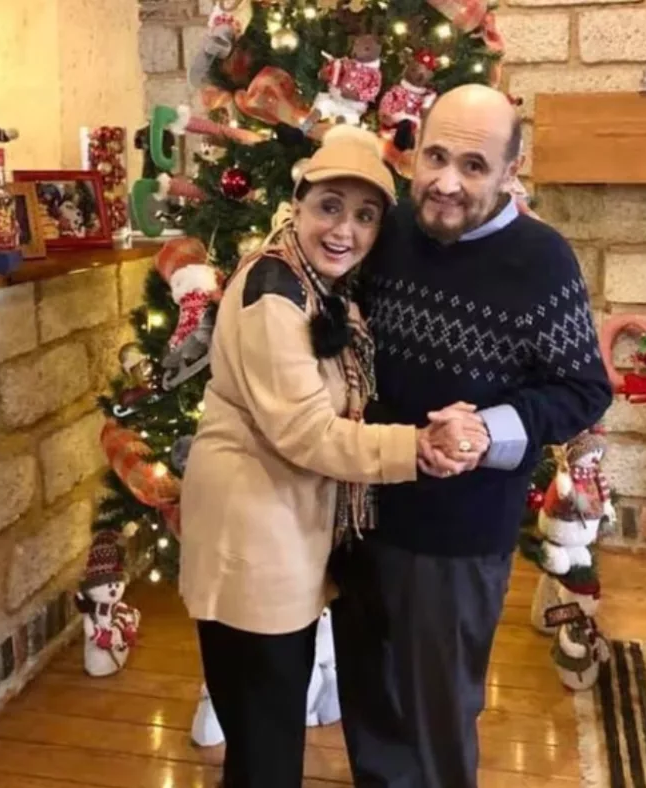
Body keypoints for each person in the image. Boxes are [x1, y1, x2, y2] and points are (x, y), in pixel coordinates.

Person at [178, 124, 488, 788]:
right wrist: (417, 447)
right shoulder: (274, 294)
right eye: (330, 207)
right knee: (265, 745)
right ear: (298, 203)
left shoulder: (320, 285)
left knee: (268, 736)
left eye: (366, 216)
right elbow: (307, 432)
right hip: (250, 540)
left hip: (282, 533)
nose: (345, 229)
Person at [330, 84, 614, 788]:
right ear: (414, 152)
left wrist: (489, 432)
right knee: (368, 703)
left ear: (512, 170)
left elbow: (583, 388)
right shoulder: (386, 230)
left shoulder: (542, 260)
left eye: (474, 166)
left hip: (457, 536)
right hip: (357, 511)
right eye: (435, 157)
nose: (447, 183)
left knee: (437, 717)